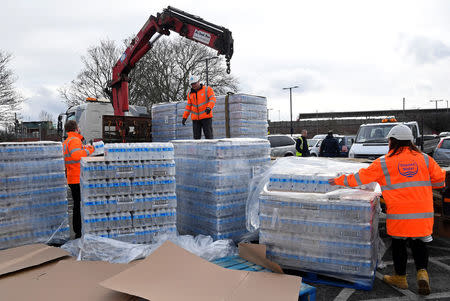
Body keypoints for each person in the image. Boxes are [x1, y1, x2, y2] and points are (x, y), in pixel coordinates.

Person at [328, 124, 446, 295]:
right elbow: (439, 181)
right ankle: (422, 273)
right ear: (410, 141)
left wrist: (338, 180)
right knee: (419, 241)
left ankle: (401, 277)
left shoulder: (383, 162)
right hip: (423, 212)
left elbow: (359, 179)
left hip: (400, 213)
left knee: (399, 243)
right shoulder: (426, 159)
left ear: (392, 141)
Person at [63, 120, 94, 238]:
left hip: (72, 176)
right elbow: (76, 155)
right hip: (77, 177)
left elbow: (73, 153)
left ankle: (78, 231)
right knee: (80, 205)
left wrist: (84, 147)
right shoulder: (75, 140)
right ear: (75, 128)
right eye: (78, 126)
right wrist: (89, 150)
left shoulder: (67, 141)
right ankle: (79, 231)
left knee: (77, 204)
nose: (80, 128)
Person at [182, 74, 216, 139]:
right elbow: (188, 106)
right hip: (195, 120)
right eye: (192, 84)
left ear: (198, 82)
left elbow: (212, 99)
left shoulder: (207, 89)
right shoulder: (190, 93)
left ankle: (210, 148)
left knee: (209, 137)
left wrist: (209, 107)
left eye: (194, 83)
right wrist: (184, 117)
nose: (193, 85)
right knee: (196, 138)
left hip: (206, 117)